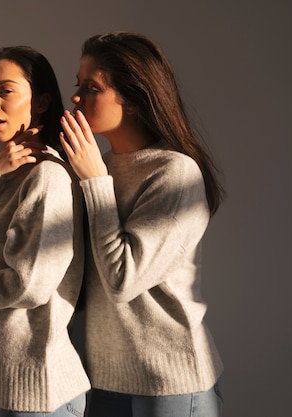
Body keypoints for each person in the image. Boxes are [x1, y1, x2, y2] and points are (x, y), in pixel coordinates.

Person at [59, 32, 225, 417]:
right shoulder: (98, 166)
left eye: (91, 87)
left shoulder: (175, 173)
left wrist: (94, 181)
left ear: (132, 100)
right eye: (76, 85)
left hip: (169, 387)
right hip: (102, 381)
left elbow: (122, 279)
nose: (76, 98)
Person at [0, 46, 90, 417]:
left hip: (41, 394)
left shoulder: (49, 177)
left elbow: (29, 285)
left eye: (5, 91)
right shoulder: (3, 174)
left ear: (41, 102)